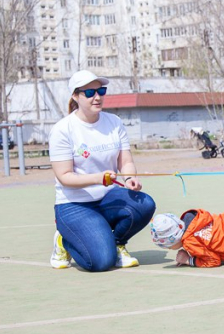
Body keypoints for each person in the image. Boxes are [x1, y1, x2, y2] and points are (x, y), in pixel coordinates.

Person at [49, 70, 156, 271]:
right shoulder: (63, 129)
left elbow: (126, 162)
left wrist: (130, 178)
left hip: (108, 197)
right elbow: (65, 177)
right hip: (74, 204)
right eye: (89, 93)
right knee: (100, 262)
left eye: (101, 91)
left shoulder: (114, 122)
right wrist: (98, 178)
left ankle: (117, 244)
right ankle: (65, 240)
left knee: (145, 204)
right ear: (75, 96)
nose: (97, 97)